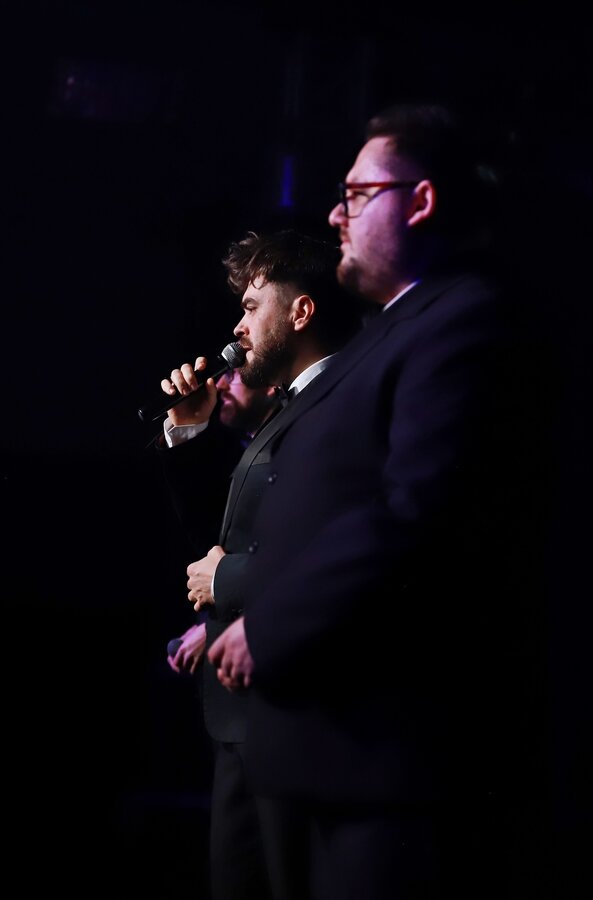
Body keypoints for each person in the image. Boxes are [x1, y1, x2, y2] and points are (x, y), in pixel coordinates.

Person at [208, 103, 543, 899]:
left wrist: (269, 623)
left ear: (420, 201)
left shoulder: (458, 319)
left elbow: (414, 512)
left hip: (377, 759)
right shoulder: (386, 334)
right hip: (314, 752)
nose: (336, 216)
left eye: (357, 195)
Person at [156, 228, 363, 900]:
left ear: (300, 312)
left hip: (293, 710)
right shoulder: (290, 407)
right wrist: (191, 429)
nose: (238, 328)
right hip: (245, 715)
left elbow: (335, 545)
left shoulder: (339, 403)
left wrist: (228, 580)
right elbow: (229, 527)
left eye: (250, 307)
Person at [162, 367, 279, 678]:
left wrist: (218, 628)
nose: (219, 384)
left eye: (234, 374)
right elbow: (211, 541)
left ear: (270, 385)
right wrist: (187, 428)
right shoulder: (242, 452)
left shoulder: (289, 447)